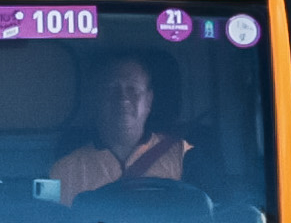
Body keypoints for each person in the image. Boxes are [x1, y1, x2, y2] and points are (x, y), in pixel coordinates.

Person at [57, 58, 192, 200]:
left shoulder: (184, 156)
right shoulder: (66, 169)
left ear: (148, 100)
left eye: (132, 89)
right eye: (111, 89)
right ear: (96, 99)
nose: (123, 99)